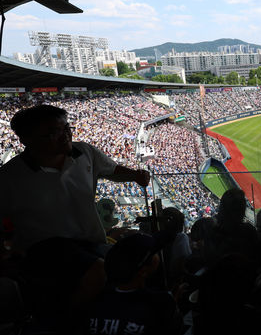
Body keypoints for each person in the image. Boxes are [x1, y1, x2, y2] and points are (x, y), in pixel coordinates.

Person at [0, 105, 151, 326]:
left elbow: (111, 169)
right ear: (26, 140)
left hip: (89, 241)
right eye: (53, 132)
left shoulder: (84, 152)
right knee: (98, 270)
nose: (65, 136)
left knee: (143, 257)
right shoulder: (9, 177)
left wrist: (135, 175)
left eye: (66, 129)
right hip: (43, 248)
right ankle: (67, 325)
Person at [88, 232, 182, 335]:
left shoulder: (97, 299)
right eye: (154, 253)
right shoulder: (160, 302)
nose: (158, 254)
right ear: (143, 270)